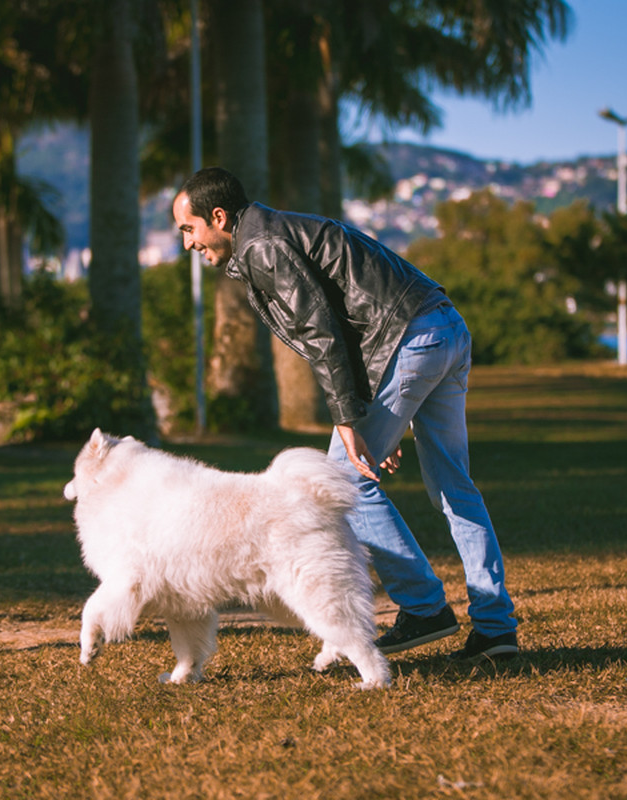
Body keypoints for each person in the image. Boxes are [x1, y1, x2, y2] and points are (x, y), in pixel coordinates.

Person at [172, 167, 518, 663]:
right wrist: (373, 407)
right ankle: (495, 626)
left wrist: (348, 419)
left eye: (189, 229)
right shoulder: (273, 233)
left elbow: (323, 332)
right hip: (442, 328)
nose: (187, 243)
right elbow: (350, 317)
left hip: (410, 339)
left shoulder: (263, 246)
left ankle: (423, 606)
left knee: (340, 477)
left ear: (218, 217)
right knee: (454, 485)